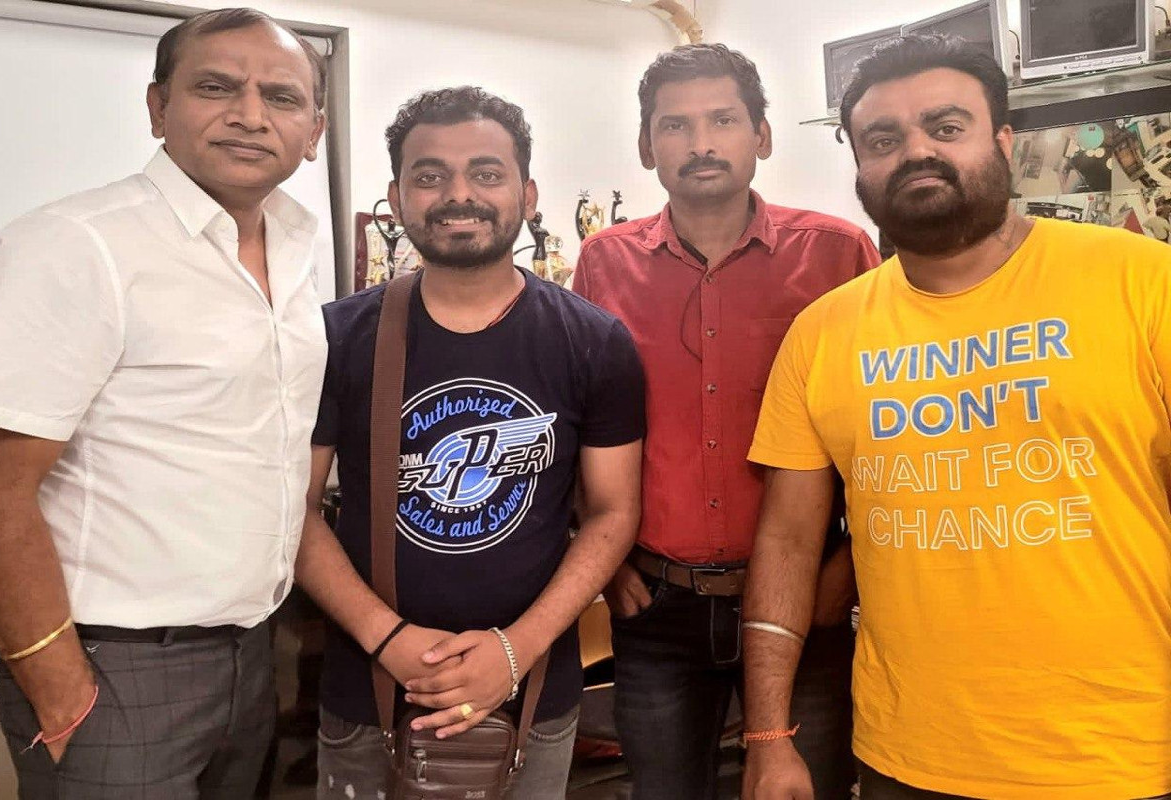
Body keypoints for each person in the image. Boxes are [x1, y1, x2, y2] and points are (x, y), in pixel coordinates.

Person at [741, 34, 1171, 800]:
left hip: (1124, 754)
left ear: (1002, 140)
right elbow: (788, 541)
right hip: (907, 756)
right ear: (859, 166)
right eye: (884, 139)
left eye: (946, 127)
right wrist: (768, 736)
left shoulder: (1142, 282)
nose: (917, 152)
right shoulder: (821, 334)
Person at [0, 8, 328, 798]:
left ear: (314, 132)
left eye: (281, 96)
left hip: (252, 654)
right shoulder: (76, 244)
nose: (250, 115)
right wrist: (57, 685)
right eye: (216, 88)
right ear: (158, 107)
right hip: (114, 665)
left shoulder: (297, 253)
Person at [295, 86, 646, 799]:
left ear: (528, 194)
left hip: (534, 695)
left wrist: (515, 651)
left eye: (486, 173)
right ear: (396, 199)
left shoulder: (594, 341)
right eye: (430, 175)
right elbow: (290, 510)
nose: (459, 194)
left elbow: (612, 513)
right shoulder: (336, 337)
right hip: (369, 690)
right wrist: (390, 639)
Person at [572, 43, 879, 800]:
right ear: (646, 146)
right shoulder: (603, 262)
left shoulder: (837, 254)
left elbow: (882, 426)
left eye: (723, 120)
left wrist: (847, 569)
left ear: (761, 136)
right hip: (656, 604)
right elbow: (576, 420)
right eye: (674, 125)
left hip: (808, 601)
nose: (700, 143)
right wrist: (606, 563)